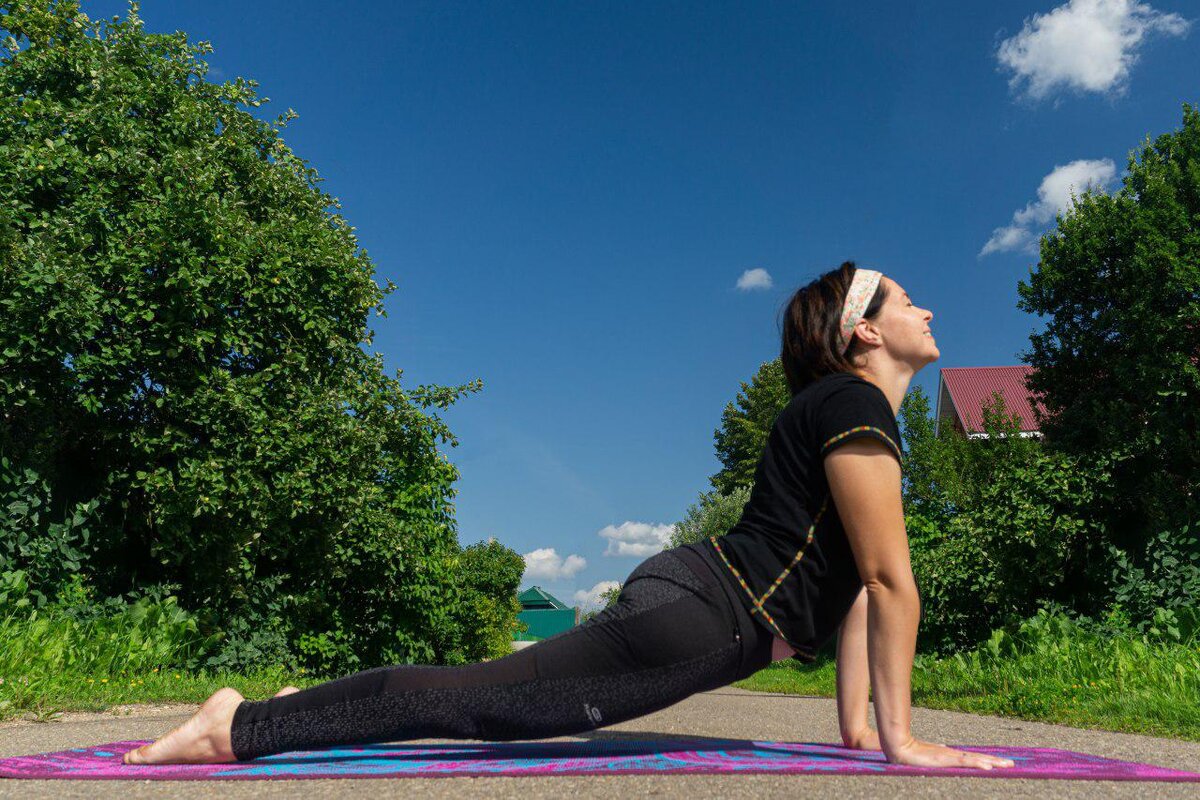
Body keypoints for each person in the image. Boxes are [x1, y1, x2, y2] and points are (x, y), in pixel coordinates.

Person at [125, 262, 1014, 771]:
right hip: (705, 616)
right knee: (484, 706)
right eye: (904, 298)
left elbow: (858, 584)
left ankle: (295, 706)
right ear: (863, 332)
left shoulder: (843, 411)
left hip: (698, 598)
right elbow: (894, 580)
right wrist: (904, 743)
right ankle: (240, 725)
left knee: (481, 693)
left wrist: (860, 727)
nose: (926, 307)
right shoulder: (856, 410)